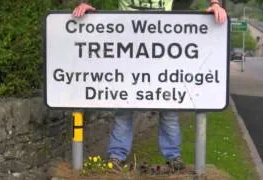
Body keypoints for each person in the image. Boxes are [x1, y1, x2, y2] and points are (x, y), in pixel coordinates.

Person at [73, 0, 227, 171]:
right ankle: (116, 156)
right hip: (126, 47)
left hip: (162, 47)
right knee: (123, 106)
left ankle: (173, 157)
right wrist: (85, 3)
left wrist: (215, 4)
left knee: (169, 106)